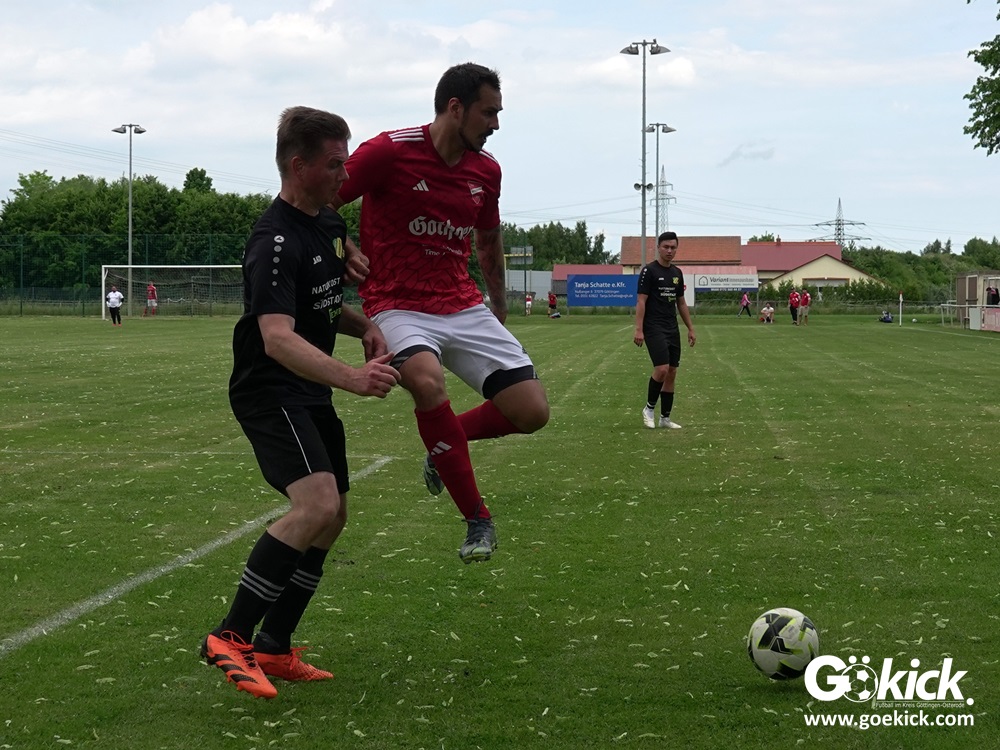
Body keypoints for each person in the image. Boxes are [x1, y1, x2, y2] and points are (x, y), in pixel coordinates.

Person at [201, 106, 401, 700]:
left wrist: (364, 323)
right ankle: (229, 636)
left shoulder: (329, 223)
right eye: (335, 164)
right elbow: (277, 336)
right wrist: (354, 377)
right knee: (315, 505)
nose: (346, 174)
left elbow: (320, 306)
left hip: (307, 389)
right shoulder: (273, 240)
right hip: (270, 388)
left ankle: (274, 645)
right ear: (299, 166)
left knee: (334, 516)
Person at [333, 62, 550, 565]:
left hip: (462, 302)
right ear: (456, 108)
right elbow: (320, 201)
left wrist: (498, 303)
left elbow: (488, 239)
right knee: (427, 383)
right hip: (396, 303)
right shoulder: (389, 151)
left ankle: (442, 446)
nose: (496, 124)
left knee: (531, 411)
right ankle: (477, 519)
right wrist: (342, 244)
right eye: (488, 112)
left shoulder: (486, 170)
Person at [634, 231, 697, 430]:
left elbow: (681, 303)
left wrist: (690, 328)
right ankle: (649, 409)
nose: (669, 251)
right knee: (661, 368)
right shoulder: (649, 271)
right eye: (666, 247)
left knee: (671, 371)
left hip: (672, 327)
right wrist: (639, 329)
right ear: (658, 248)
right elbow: (641, 301)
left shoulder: (677, 273)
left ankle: (665, 418)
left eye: (673, 247)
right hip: (653, 326)